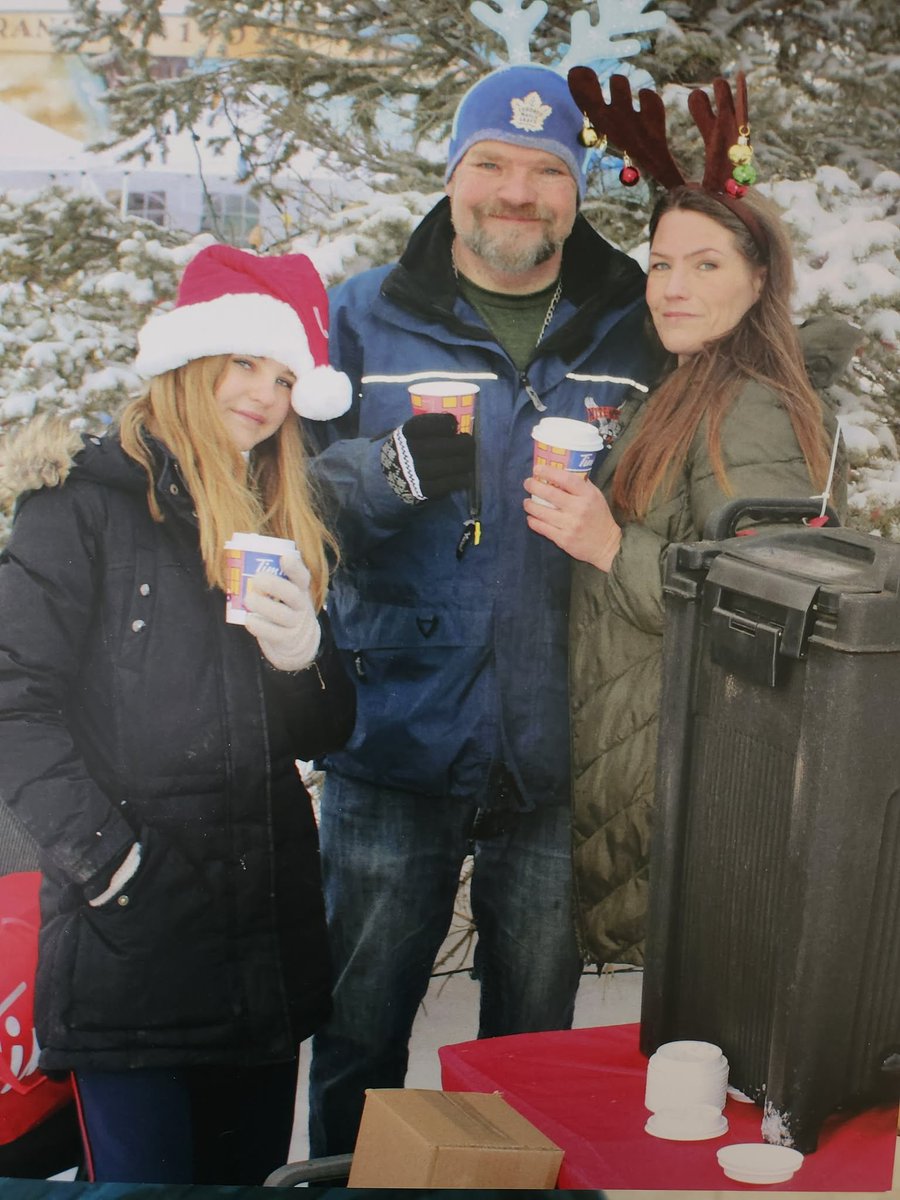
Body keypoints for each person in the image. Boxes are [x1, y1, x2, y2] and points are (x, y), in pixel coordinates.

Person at [304, 62, 662, 1157]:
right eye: (492, 165)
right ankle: (341, 1184)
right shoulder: (360, 314)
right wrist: (388, 474)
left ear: (579, 188)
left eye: (547, 170)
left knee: (527, 1053)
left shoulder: (632, 325)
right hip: (390, 736)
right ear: (454, 175)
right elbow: (288, 496)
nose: (519, 192)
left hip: (558, 747)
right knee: (360, 1033)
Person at [0, 244, 356, 1185]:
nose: (265, 395)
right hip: (135, 951)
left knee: (242, 1188)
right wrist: (108, 864)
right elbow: (11, 704)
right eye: (246, 362)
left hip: (261, 950)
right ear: (191, 359)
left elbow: (323, 735)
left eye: (285, 377)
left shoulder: (277, 512)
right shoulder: (78, 507)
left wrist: (306, 659)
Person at [525, 180, 855, 969]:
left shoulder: (756, 406)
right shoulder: (695, 384)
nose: (673, 288)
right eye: (661, 263)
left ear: (761, 278)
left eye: (705, 265)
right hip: (655, 766)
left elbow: (780, 611)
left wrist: (611, 548)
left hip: (696, 789)